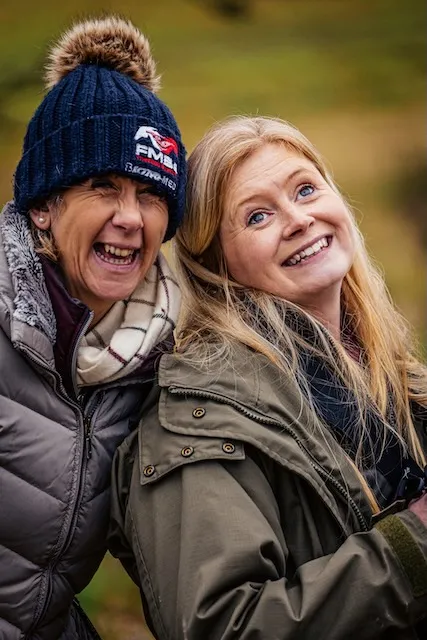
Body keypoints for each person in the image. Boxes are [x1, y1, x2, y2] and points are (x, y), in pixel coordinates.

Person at [109, 115, 427, 639]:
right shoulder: (201, 419)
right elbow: (222, 626)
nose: (299, 219)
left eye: (305, 189)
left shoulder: (392, 374)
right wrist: (413, 546)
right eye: (257, 217)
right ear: (217, 262)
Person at [0, 14, 186, 640]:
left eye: (151, 194)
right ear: (45, 207)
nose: (130, 218)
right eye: (103, 186)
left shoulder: (154, 354)